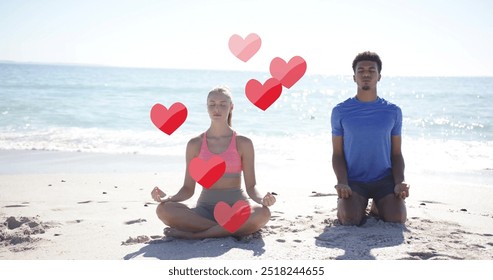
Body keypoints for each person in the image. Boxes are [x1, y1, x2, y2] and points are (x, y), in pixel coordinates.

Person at [151, 86, 276, 239]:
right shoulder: (195, 144)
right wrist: (168, 198)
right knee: (163, 210)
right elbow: (188, 188)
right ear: (207, 107)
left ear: (231, 107)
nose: (217, 108)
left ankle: (196, 235)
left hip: (237, 208)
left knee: (263, 213)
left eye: (223, 104)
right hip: (204, 212)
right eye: (212, 104)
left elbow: (251, 187)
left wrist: (262, 199)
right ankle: (227, 229)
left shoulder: (243, 143)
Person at [331, 51, 409, 226]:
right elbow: (337, 154)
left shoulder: (393, 111)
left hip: (384, 180)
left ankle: (378, 205)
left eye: (371, 70)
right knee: (349, 220)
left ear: (379, 76)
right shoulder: (340, 111)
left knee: (397, 219)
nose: (366, 74)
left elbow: (396, 154)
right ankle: (351, 203)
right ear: (354, 77)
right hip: (354, 181)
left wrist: (399, 182)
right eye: (361, 70)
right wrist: (342, 182)